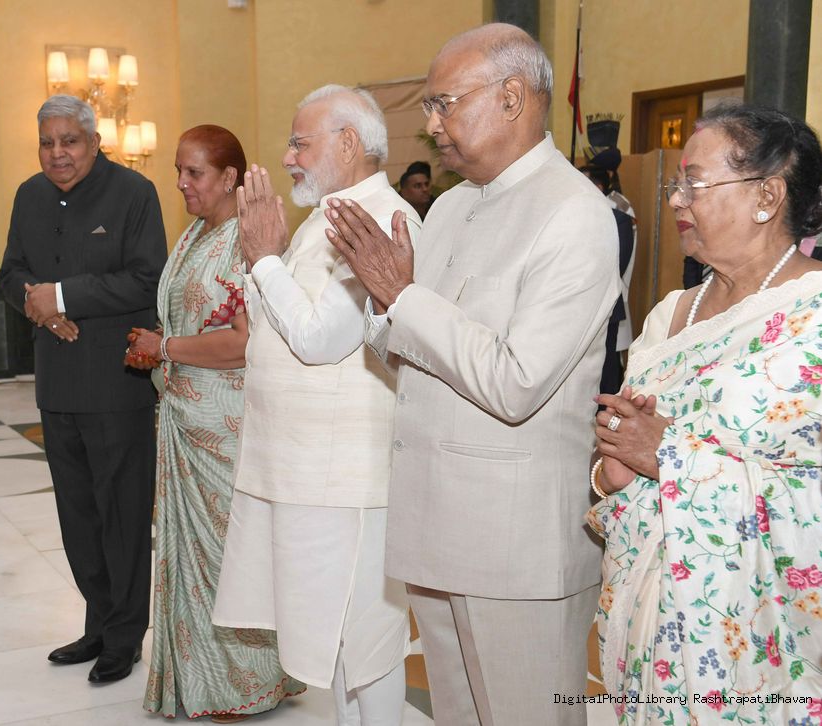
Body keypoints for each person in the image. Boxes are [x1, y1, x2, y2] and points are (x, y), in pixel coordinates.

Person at [326, 24, 619, 725]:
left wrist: (403, 298)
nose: (432, 126)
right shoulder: (454, 204)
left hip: (514, 541)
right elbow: (416, 351)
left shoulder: (574, 213)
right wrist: (383, 308)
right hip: (435, 520)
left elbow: (517, 382)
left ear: (512, 98)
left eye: (444, 104)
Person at [588, 104, 822, 723]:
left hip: (761, 635)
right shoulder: (671, 314)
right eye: (675, 184)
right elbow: (625, 446)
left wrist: (668, 456)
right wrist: (612, 473)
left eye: (694, 182)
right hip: (653, 614)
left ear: (767, 196)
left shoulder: (813, 315)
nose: (675, 200)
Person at [213, 84, 421, 726]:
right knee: (331, 639)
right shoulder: (327, 218)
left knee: (366, 642)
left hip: (347, 481)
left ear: (349, 143)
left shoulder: (381, 220)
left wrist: (264, 260)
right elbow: (276, 327)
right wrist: (268, 261)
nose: (288, 156)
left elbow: (320, 340)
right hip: (303, 473)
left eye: (300, 142)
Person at [125, 125, 303, 720]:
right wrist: (160, 348)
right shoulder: (196, 233)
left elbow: (243, 343)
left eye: (194, 172)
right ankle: (197, 680)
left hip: (226, 426)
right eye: (179, 170)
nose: (181, 183)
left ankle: (245, 684)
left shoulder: (245, 242)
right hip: (184, 415)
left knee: (229, 556)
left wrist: (165, 347)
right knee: (190, 555)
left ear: (230, 178)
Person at [0, 95, 166, 683]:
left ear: (95, 141)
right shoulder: (29, 195)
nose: (57, 153)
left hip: (117, 385)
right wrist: (37, 305)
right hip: (57, 385)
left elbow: (146, 279)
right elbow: (10, 272)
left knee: (122, 516)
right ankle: (98, 623)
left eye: (69, 140)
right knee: (78, 518)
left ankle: (126, 635)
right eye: (47, 142)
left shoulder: (134, 193)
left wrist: (62, 296)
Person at [582, 163, 636, 396]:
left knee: (606, 372)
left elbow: (617, 265)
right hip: (573, 307)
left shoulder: (620, 220)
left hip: (605, 307)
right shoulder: (568, 218)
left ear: (598, 187)